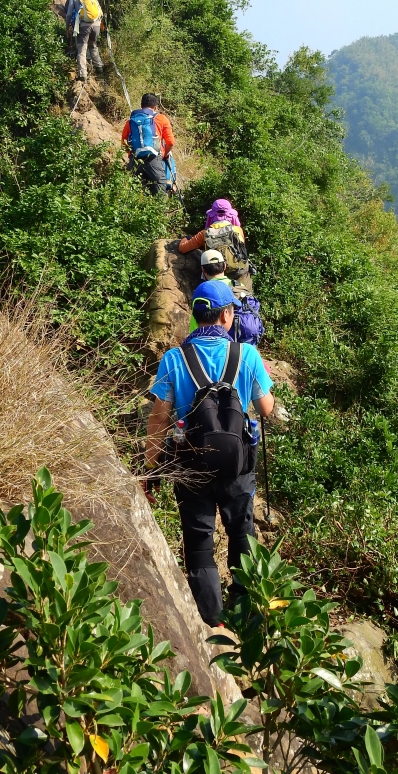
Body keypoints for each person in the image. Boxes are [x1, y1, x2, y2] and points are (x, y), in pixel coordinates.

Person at [146, 280, 274, 626]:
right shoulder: (247, 355)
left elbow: (158, 420)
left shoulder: (174, 359)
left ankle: (212, 623)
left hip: (191, 465)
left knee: (200, 541)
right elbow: (266, 407)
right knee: (241, 533)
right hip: (237, 464)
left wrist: (149, 469)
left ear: (197, 316)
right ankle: (245, 617)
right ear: (227, 316)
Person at [188, 250, 264, 345]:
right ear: (224, 266)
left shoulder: (205, 293)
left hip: (219, 346)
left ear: (203, 270)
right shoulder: (239, 286)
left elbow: (194, 328)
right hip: (246, 343)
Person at [178, 199, 252, 289]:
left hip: (217, 276)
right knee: (245, 299)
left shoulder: (205, 233)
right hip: (240, 272)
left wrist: (185, 239)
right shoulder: (237, 230)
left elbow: (182, 248)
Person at [121, 93, 175, 195]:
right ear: (155, 107)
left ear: (141, 105)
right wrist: (165, 154)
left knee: (136, 193)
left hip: (135, 161)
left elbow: (124, 142)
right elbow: (170, 142)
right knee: (159, 190)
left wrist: (132, 154)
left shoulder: (131, 121)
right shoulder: (161, 119)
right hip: (154, 160)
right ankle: (158, 211)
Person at [64, 0, 104, 82]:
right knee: (93, 45)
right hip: (96, 25)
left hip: (84, 26)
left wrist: (67, 27)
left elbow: (69, 14)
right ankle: (99, 67)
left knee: (81, 50)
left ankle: (83, 74)